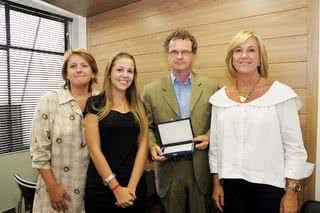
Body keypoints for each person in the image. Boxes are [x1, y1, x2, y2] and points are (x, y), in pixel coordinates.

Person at [209, 30, 314, 213]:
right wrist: (217, 184)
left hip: (270, 188)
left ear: (260, 58)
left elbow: (294, 148)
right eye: (238, 50)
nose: (244, 55)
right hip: (231, 188)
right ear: (231, 58)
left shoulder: (281, 94)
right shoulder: (219, 99)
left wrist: (291, 192)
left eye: (251, 50)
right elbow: (216, 147)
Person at [143, 29, 219, 213]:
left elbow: (220, 123)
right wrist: (152, 145)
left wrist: (209, 136)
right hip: (168, 168)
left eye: (185, 51)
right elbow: (146, 127)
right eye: (174, 51)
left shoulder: (212, 86)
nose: (179, 56)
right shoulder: (150, 90)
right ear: (167, 55)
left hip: (200, 167)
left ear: (193, 55)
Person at [30, 48, 99, 212]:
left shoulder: (102, 102)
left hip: (92, 191)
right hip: (55, 191)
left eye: (84, 65)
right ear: (66, 74)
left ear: (93, 72)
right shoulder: (49, 101)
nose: (79, 69)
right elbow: (39, 151)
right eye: (73, 66)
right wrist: (53, 187)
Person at [84, 52, 148, 212]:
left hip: (134, 186)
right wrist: (116, 188)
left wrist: (131, 188)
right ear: (110, 72)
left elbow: (143, 147)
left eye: (130, 71)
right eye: (120, 70)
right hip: (102, 187)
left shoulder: (139, 105)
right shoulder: (95, 103)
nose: (125, 75)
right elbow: (94, 150)